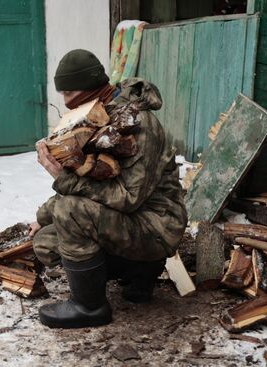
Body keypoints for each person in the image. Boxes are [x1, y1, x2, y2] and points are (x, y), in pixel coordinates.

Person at [29, 49, 187, 329]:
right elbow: (93, 180)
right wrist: (43, 216)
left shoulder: (137, 123)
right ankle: (137, 272)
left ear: (92, 87)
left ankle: (90, 307)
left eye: (69, 92)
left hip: (157, 225)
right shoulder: (97, 115)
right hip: (132, 221)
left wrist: (62, 180)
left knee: (70, 211)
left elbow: (128, 197)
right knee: (46, 242)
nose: (65, 102)